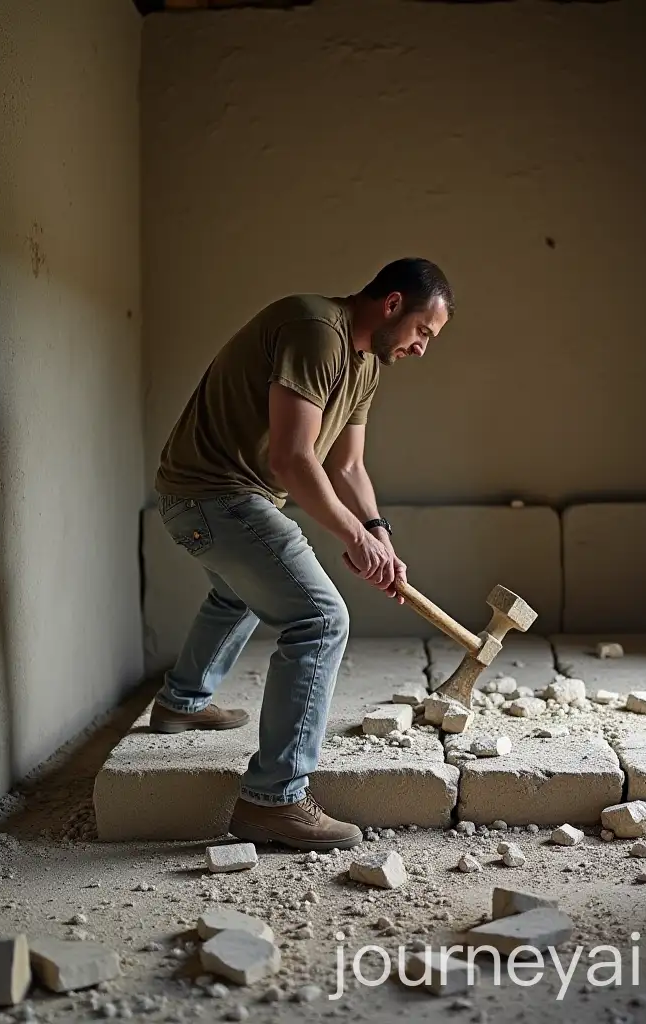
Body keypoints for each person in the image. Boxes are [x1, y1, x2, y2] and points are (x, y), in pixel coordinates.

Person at [149, 258, 453, 851]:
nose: (422, 348)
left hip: (219, 498)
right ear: (392, 303)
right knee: (319, 618)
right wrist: (352, 539)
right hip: (215, 498)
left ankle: (181, 703)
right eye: (423, 331)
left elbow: (347, 465)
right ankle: (275, 799)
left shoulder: (365, 363)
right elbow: (293, 458)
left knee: (239, 588)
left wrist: (377, 532)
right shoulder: (314, 329)